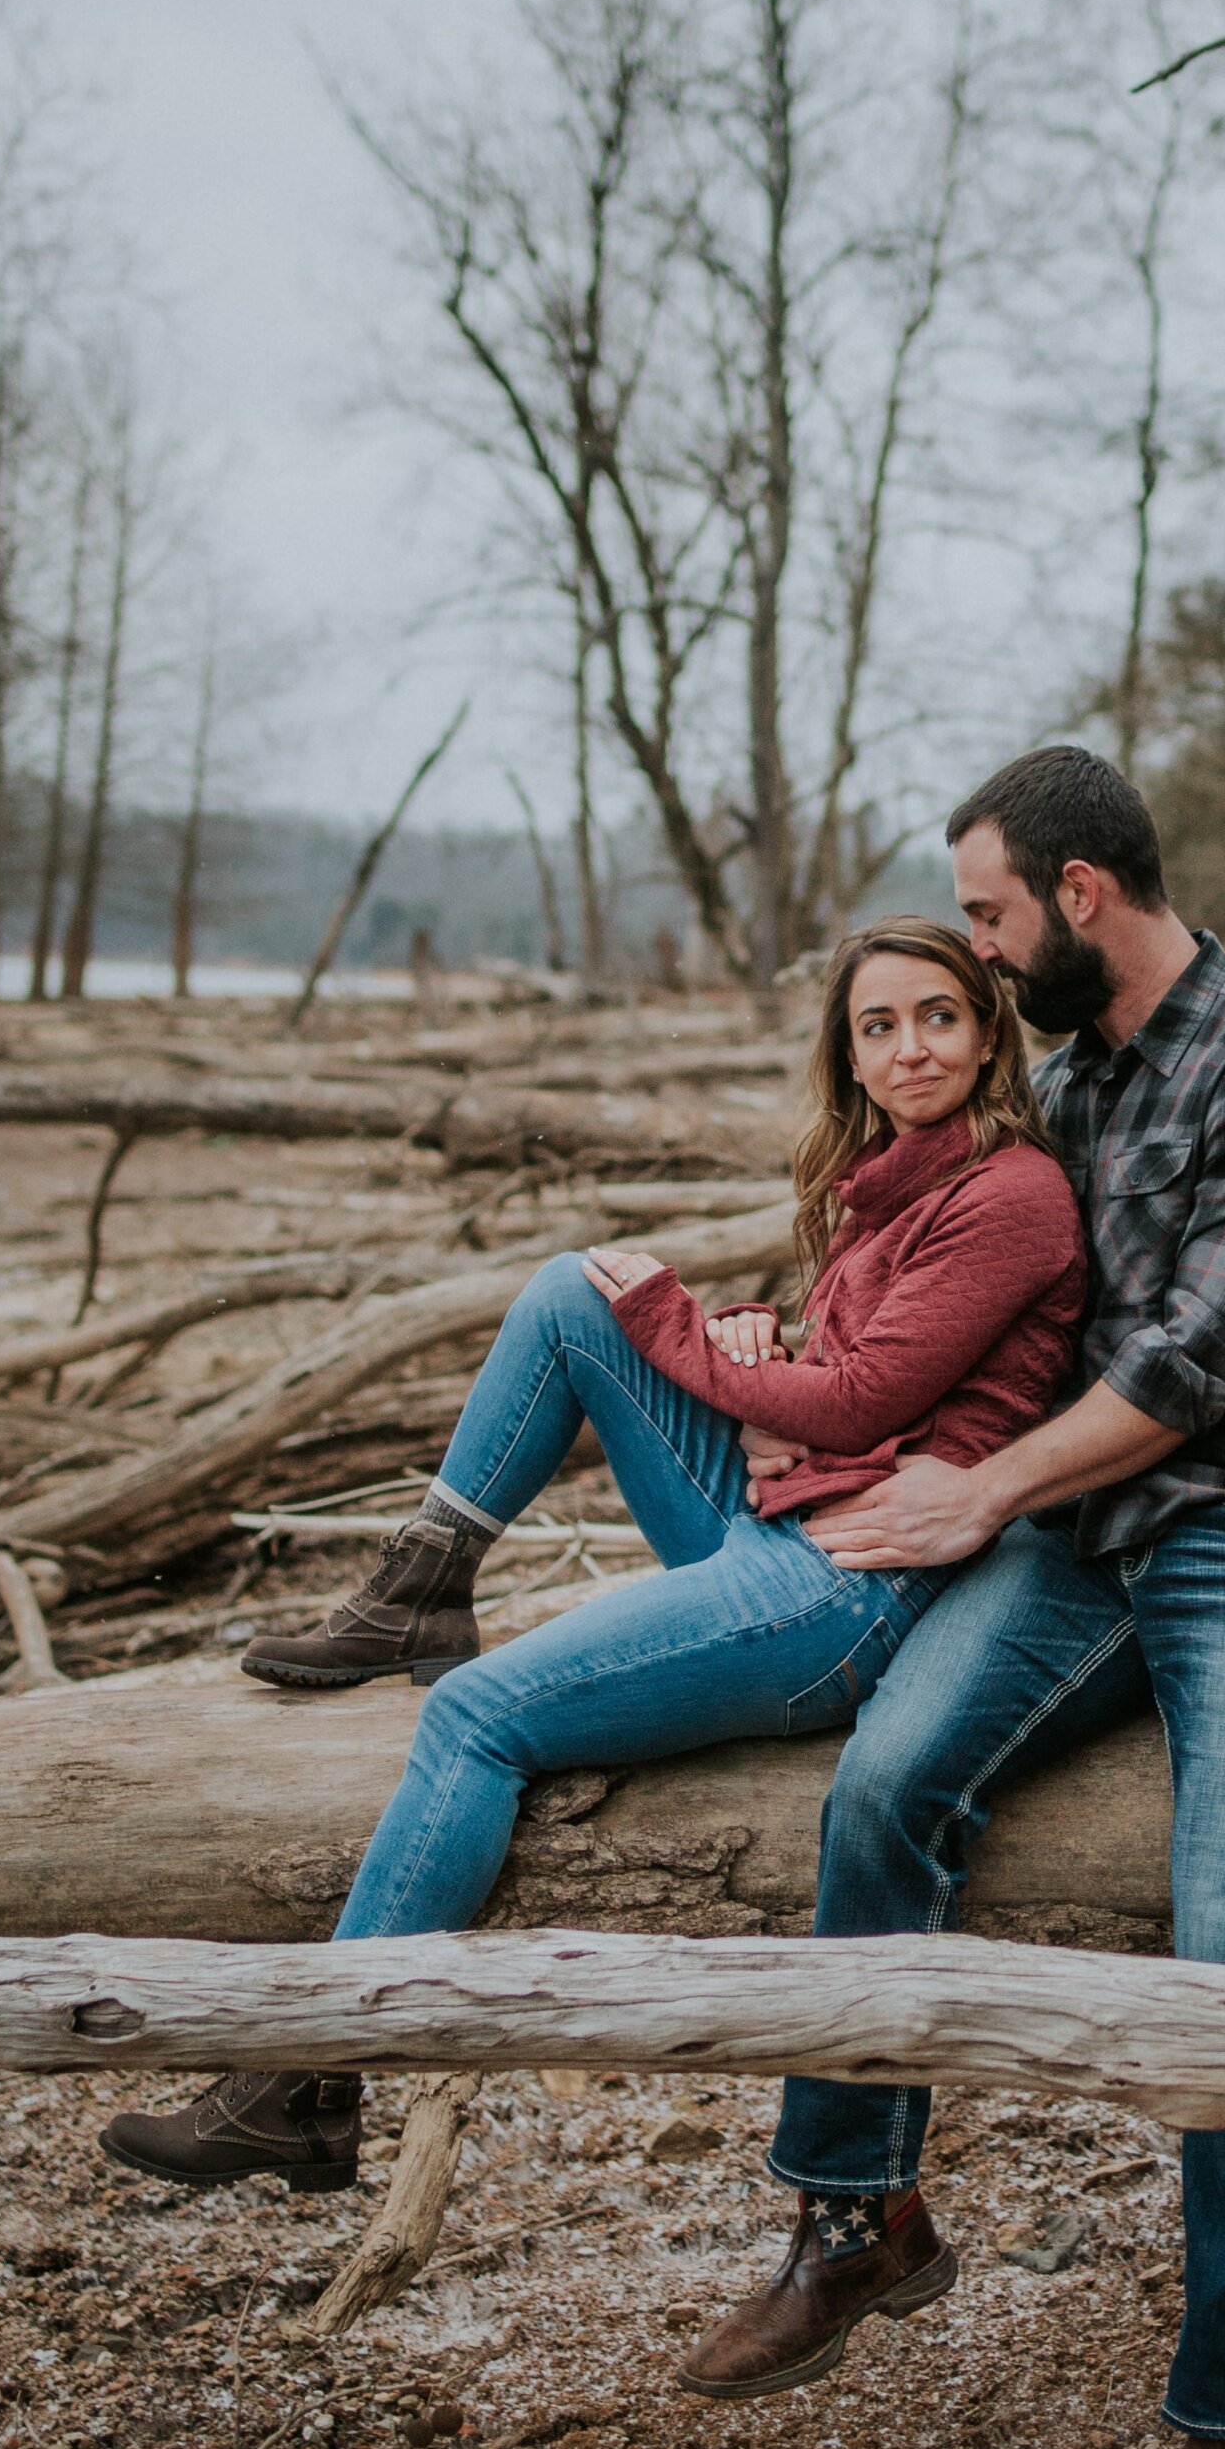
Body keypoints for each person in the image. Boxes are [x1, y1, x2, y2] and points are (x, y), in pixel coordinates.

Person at [676, 747, 1225, 2449]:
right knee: (885, 1784)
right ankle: (859, 2212)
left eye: (992, 917)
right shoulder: (1066, 1087)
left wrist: (975, 1492)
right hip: (1087, 1542)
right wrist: (797, 1339)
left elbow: (1199, 1368)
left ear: (1081, 895)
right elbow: (971, 1285)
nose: (982, 959)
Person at [98, 916, 1086, 2203]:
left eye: (938, 1018)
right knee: (573, 1292)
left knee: (475, 1718)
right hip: (788, 1522)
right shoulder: (896, 1176)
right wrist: (749, 1350)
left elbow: (856, 1403)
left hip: (848, 1590)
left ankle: (301, 2081)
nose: (910, 1050)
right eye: (878, 1026)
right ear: (845, 1054)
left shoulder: (1011, 1192)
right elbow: (847, 1378)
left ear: (988, 1031)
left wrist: (685, 1329)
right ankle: (423, 1581)